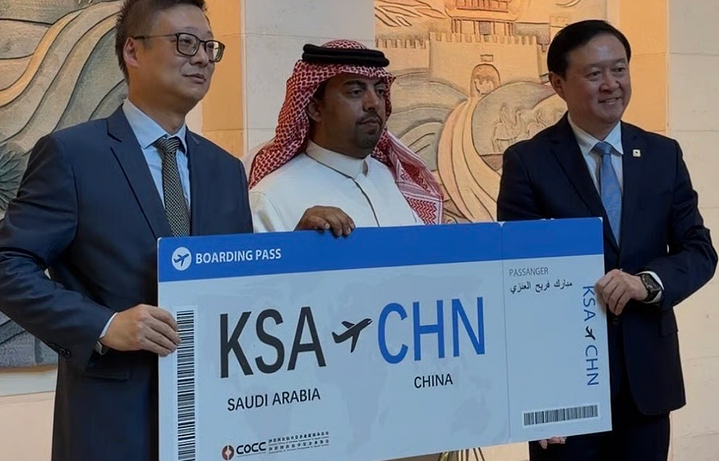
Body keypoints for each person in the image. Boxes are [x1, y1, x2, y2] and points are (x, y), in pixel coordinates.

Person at [0, 1, 253, 460]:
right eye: (185, 43)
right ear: (133, 52)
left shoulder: (226, 169)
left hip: (215, 423)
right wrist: (104, 324)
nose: (202, 58)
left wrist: (306, 243)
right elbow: (8, 265)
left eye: (209, 47)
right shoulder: (72, 155)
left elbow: (243, 283)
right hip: (113, 425)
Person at [497, 19, 717, 461]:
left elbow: (698, 249)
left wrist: (647, 282)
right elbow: (518, 279)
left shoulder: (663, 155)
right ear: (558, 83)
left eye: (619, 69)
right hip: (565, 390)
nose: (611, 84)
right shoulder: (528, 161)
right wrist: (537, 392)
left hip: (647, 383)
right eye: (594, 73)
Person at [246, 40, 443, 235]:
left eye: (380, 91)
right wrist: (300, 245)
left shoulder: (398, 182)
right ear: (315, 109)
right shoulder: (270, 199)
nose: (374, 103)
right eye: (355, 92)